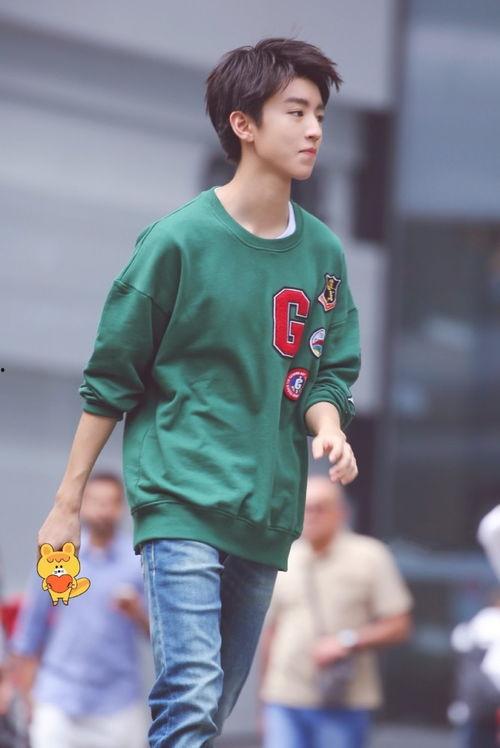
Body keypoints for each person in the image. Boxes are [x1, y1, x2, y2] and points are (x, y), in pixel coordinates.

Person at [36, 37, 362, 747]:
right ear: (243, 124)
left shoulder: (323, 254)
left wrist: (329, 425)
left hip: (266, 509)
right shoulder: (177, 242)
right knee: (189, 695)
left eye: (320, 115)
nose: (314, 129)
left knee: (210, 713)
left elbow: (326, 371)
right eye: (296, 111)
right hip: (180, 495)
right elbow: (111, 378)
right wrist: (67, 503)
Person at [259, 476, 413, 748]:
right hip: (284, 697)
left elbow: (399, 625)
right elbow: (271, 631)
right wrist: (263, 698)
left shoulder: (369, 556)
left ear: (341, 512)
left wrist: (346, 641)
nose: (311, 516)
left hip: (343, 700)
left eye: (320, 508)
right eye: (305, 508)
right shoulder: (285, 556)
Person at [9, 472, 150, 748]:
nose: (103, 510)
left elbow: (159, 636)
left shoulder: (138, 561)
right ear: (82, 504)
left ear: (122, 507)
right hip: (58, 698)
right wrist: (29, 700)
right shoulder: (58, 559)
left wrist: (137, 612)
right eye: (96, 501)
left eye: (111, 502)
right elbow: (29, 631)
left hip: (118, 702)